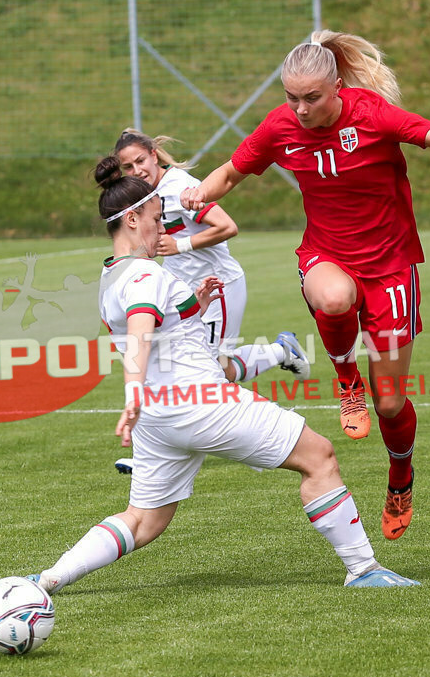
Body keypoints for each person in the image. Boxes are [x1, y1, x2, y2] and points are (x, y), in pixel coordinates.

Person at [24, 157, 419, 592]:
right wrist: (131, 392)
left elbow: (158, 321)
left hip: (158, 421)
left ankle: (48, 578)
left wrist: (197, 301)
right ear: (132, 219)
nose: (165, 230)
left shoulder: (110, 274)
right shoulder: (144, 274)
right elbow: (140, 329)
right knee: (319, 457)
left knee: (144, 521)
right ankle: (363, 569)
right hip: (201, 403)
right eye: (158, 220)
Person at [180, 30, 430, 541]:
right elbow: (231, 171)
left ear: (337, 86)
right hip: (327, 253)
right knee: (334, 298)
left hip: (390, 266)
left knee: (390, 403)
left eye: (311, 98)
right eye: (291, 97)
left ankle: (401, 476)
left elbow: (426, 132)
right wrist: (198, 191)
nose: (299, 109)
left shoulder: (369, 112)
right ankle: (346, 380)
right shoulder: (281, 126)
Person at [111, 128, 310, 475]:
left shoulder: (179, 189)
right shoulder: (147, 196)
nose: (136, 171)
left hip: (218, 289)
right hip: (185, 296)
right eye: (127, 167)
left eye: (140, 161)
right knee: (168, 369)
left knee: (211, 371)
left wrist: (181, 246)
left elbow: (227, 226)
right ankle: (283, 351)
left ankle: (265, 415)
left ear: (154, 155)